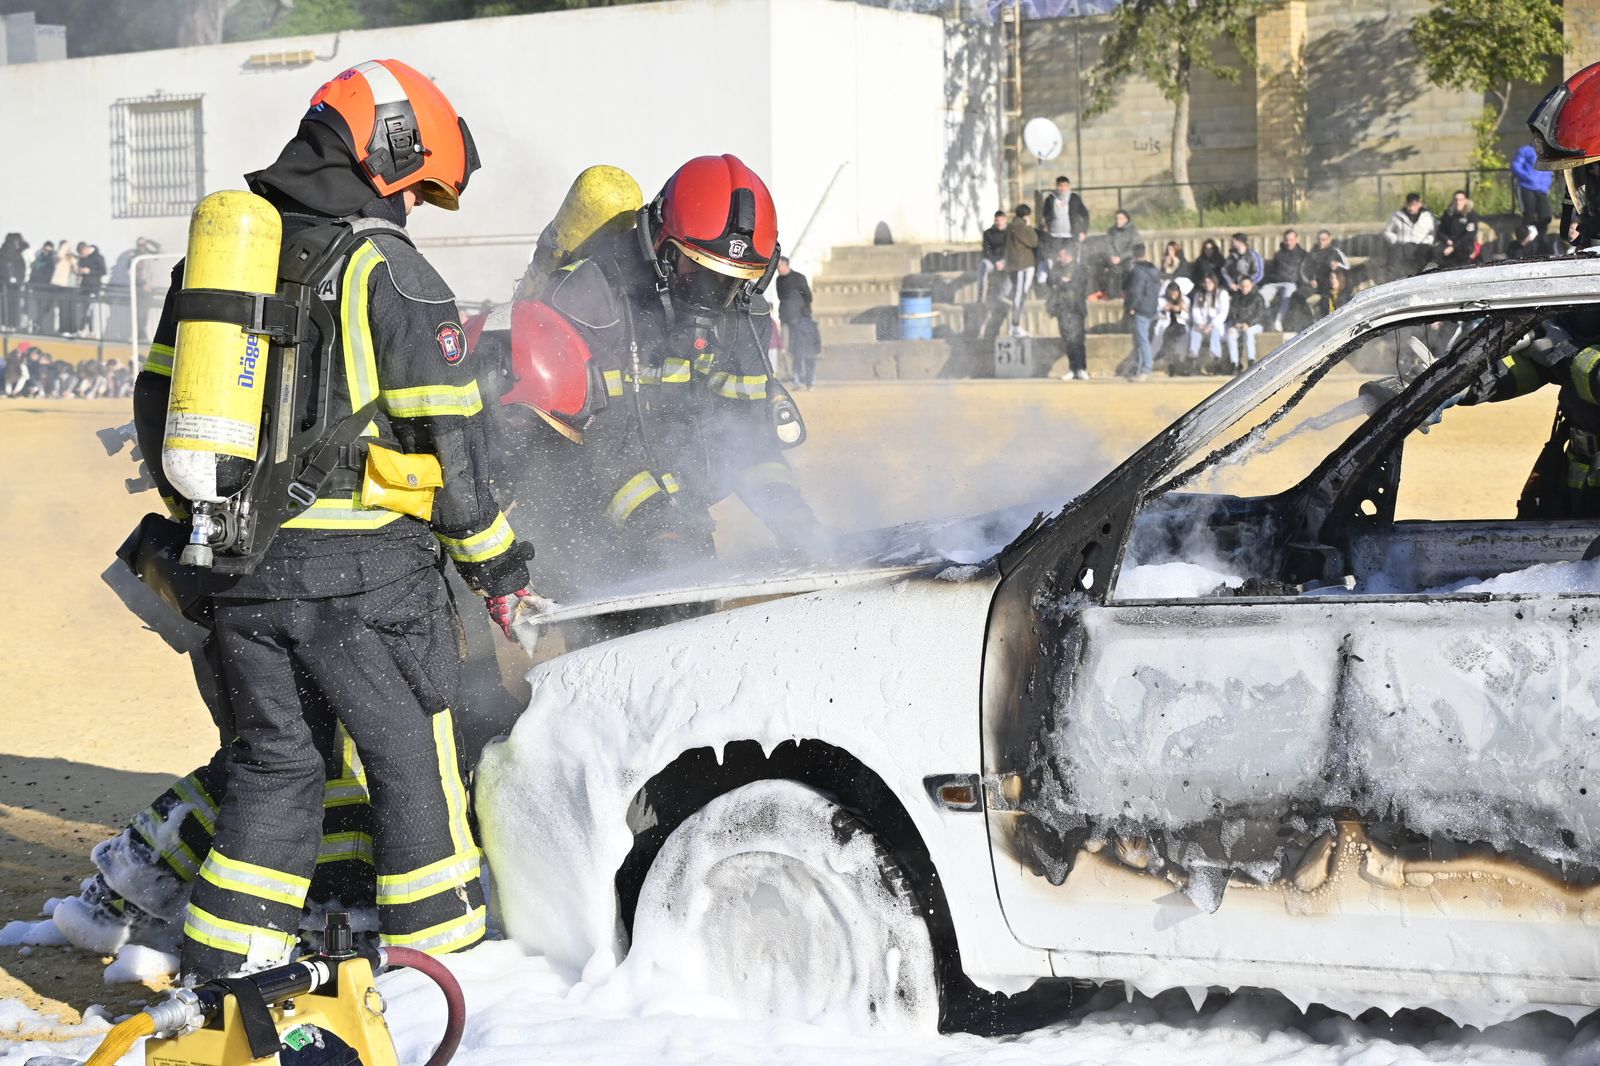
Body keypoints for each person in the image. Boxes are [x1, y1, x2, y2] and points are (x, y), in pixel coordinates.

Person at [103, 60, 532, 983]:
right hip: (371, 590)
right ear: (391, 154)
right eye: (415, 188)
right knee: (413, 769)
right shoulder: (390, 270)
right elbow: (454, 451)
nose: (411, 209)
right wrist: (499, 570)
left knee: (275, 772)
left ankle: (224, 976)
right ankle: (441, 977)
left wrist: (219, 520)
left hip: (241, 581)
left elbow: (156, 413)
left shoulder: (215, 266)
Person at [476, 156, 825, 616]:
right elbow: (595, 439)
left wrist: (792, 516)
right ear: (659, 243)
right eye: (697, 273)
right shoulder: (588, 299)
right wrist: (658, 521)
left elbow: (748, 433)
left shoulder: (743, 312)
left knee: (688, 624)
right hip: (580, 510)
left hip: (676, 507)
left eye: (732, 282)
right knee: (609, 636)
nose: (713, 297)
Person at [775, 256, 820, 389]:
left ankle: (806, 378)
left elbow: (808, 297)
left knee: (803, 349)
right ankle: (793, 376)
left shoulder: (799, 278)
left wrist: (803, 313)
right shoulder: (778, 280)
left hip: (801, 319)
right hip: (785, 319)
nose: (778, 269)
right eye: (777, 267)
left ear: (786, 265)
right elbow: (780, 297)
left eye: (780, 266)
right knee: (787, 349)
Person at [1046, 243, 1089, 380]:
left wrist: (1064, 283)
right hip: (1062, 309)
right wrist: (1062, 281)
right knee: (1068, 340)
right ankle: (1072, 368)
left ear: (1069, 256)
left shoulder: (1079, 268)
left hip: (1075, 309)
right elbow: (1050, 280)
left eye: (1061, 256)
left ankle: (1081, 368)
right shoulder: (1056, 267)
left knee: (1078, 339)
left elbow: (1079, 285)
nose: (1059, 258)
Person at [1123, 242, 1160, 381]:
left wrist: (1130, 307)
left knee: (1142, 339)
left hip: (1140, 309)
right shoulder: (1153, 270)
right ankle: (1139, 368)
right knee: (1142, 339)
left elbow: (1135, 292)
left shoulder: (1138, 272)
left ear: (1134, 255)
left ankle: (1146, 368)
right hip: (1151, 307)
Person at [1039, 175, 1089, 273]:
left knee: (1071, 259)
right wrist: (1046, 225)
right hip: (1055, 235)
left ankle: (1070, 278)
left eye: (1064, 186)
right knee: (1055, 258)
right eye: (1060, 186)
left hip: (1071, 235)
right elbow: (1045, 214)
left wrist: (1083, 231)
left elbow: (1085, 215)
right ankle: (1054, 278)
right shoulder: (1050, 199)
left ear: (1069, 186)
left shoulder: (1074, 198)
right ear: (1056, 186)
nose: (1062, 188)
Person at [1259, 229, 1306, 332]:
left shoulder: (1303, 255)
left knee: (1288, 294)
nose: (1288, 242)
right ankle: (1269, 319)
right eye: (1286, 240)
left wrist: (1302, 285)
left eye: (1291, 240)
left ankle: (1278, 321)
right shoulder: (1279, 254)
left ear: (1297, 239)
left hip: (1291, 283)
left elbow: (1305, 272)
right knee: (1261, 294)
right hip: (1275, 283)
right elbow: (1271, 270)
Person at [1002, 202, 1038, 336]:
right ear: (1026, 215)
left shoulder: (1010, 226)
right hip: (1023, 265)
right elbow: (1033, 242)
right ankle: (1015, 325)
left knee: (1019, 293)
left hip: (1015, 264)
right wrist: (1029, 226)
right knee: (1020, 294)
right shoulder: (1021, 227)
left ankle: (1015, 324)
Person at [1382, 193, 1437, 278]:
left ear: (1419, 204)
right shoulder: (1396, 216)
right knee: (1394, 259)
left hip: (1421, 245)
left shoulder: (1428, 217)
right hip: (1402, 245)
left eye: (1414, 205)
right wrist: (1396, 240)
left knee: (1424, 259)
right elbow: (1387, 232)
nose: (1410, 208)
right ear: (1405, 204)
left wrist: (1427, 242)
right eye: (1409, 204)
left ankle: (1422, 279)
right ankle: (1392, 280)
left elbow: (1433, 232)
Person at [1225, 275, 1268, 372]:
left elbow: (1260, 315)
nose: (1244, 288)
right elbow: (1231, 313)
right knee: (1231, 333)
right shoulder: (1236, 297)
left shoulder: (1258, 297)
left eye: (1247, 286)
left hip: (1255, 325)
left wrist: (1248, 323)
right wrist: (1236, 323)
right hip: (1238, 325)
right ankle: (1234, 363)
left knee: (1248, 332)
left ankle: (1251, 360)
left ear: (1252, 285)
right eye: (1242, 286)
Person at [1188, 272, 1230, 369]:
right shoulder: (1199, 294)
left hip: (1216, 325)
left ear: (1214, 282)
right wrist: (1200, 324)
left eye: (1210, 282)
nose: (1207, 285)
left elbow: (1223, 313)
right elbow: (1195, 310)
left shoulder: (1222, 294)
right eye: (1205, 282)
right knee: (1195, 332)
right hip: (1202, 325)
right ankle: (1193, 358)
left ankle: (1215, 359)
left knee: (1215, 332)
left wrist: (1211, 325)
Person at [1511, 143, 1555, 237]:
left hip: (1542, 189)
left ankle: (1539, 237)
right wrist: (1528, 177)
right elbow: (1516, 166)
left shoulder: (1548, 152)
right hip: (1527, 186)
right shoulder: (1526, 150)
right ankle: (1526, 237)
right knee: (1529, 214)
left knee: (1546, 216)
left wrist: (1548, 183)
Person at [1302, 230, 1349, 315]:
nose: (1321, 242)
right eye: (1319, 239)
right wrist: (1310, 281)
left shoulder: (1335, 252)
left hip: (1333, 285)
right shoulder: (1311, 254)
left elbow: (1347, 267)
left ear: (1330, 239)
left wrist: (1337, 265)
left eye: (1324, 239)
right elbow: (1304, 270)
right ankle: (1311, 317)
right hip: (1317, 287)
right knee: (1300, 294)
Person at [1097, 210, 1139, 299]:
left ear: (1126, 219)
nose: (1117, 221)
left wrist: (1120, 257)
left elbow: (1134, 249)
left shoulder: (1133, 232)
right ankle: (1104, 292)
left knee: (1126, 268)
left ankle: (1123, 292)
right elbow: (1108, 245)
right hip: (1113, 258)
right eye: (1116, 218)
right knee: (1098, 265)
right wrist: (1112, 256)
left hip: (1127, 258)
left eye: (1120, 218)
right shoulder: (1112, 231)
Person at [1436, 190, 1481, 268]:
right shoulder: (1448, 214)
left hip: (1464, 244)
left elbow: (1469, 235)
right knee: (1435, 251)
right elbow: (1440, 231)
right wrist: (1446, 240)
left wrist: (1453, 246)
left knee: (1462, 251)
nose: (1458, 202)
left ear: (1465, 201)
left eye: (1460, 200)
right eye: (1456, 200)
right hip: (1449, 242)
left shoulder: (1471, 214)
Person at [1152, 281, 1190, 370]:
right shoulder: (1161, 300)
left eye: (1175, 293)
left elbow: (1188, 317)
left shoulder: (1185, 301)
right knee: (1165, 338)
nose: (1173, 295)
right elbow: (1155, 315)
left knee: (1178, 341)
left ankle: (1170, 357)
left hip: (1180, 326)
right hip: (1165, 325)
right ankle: (1162, 357)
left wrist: (1180, 310)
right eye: (1171, 292)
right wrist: (1164, 310)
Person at [74, 241, 107, 336]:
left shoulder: (98, 257)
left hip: (94, 288)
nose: (82, 255)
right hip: (84, 288)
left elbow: (103, 271)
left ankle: (87, 330)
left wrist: (90, 271)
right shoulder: (82, 259)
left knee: (89, 310)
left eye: (82, 253)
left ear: (86, 249)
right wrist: (80, 271)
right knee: (84, 310)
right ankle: (87, 330)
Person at [0, 232, 27, 330]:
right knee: (4, 305)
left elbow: (21, 269)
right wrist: (7, 278)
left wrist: (18, 279)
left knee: (14, 306)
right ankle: (4, 324)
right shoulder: (3, 254)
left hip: (15, 287)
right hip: (3, 286)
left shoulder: (18, 256)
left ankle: (12, 324)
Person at [979, 209, 1007, 302]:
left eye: (1001, 220)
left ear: (1005, 220)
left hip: (1006, 261)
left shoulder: (1010, 233)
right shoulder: (988, 233)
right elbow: (986, 250)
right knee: (983, 265)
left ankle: (1003, 295)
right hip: (992, 261)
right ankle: (981, 298)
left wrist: (1003, 261)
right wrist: (995, 262)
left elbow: (1011, 250)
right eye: (997, 220)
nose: (999, 223)